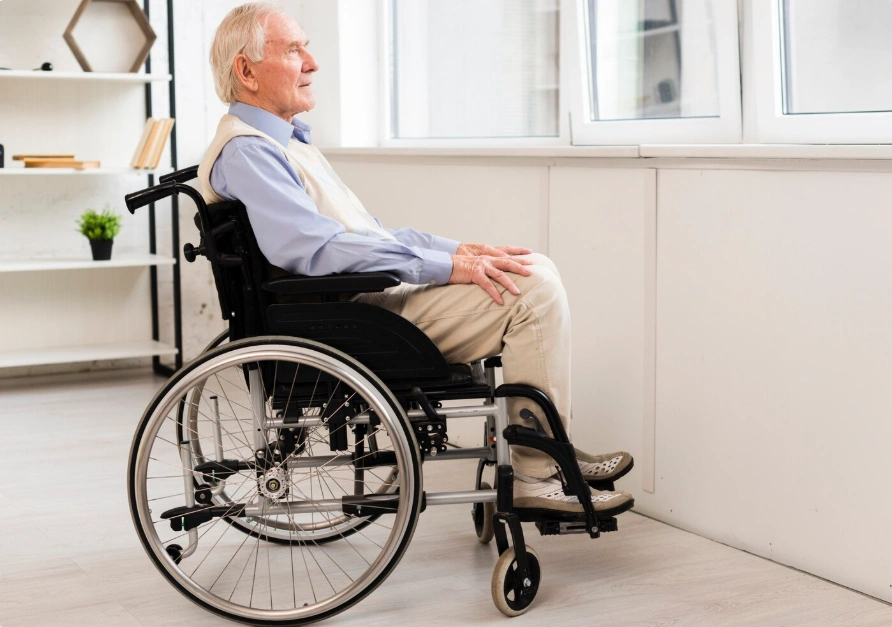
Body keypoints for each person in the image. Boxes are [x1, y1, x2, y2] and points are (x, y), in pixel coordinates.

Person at [198, 2, 634, 516]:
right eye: (294, 50)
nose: (312, 63)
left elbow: (368, 234)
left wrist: (459, 251)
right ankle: (537, 474)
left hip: (357, 303)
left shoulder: (281, 144)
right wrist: (448, 268)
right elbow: (313, 250)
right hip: (349, 319)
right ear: (246, 72)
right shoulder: (252, 152)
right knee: (531, 292)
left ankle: (547, 448)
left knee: (531, 265)